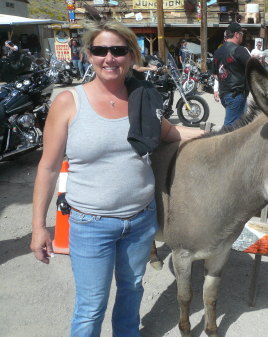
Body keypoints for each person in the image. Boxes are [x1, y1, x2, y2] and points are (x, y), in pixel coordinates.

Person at [30, 20, 204, 337]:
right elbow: (48, 167)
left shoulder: (143, 97)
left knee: (132, 292)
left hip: (140, 221)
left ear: (131, 55)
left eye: (118, 50)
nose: (109, 57)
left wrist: (213, 136)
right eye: (100, 50)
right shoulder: (68, 103)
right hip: (90, 224)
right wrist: (39, 226)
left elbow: (169, 133)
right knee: (91, 307)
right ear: (89, 55)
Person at [212, 22, 251, 126]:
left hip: (224, 94)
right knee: (230, 127)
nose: (242, 36)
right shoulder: (239, 50)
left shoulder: (217, 52)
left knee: (238, 124)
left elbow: (215, 74)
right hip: (236, 94)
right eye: (241, 34)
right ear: (237, 35)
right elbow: (253, 68)